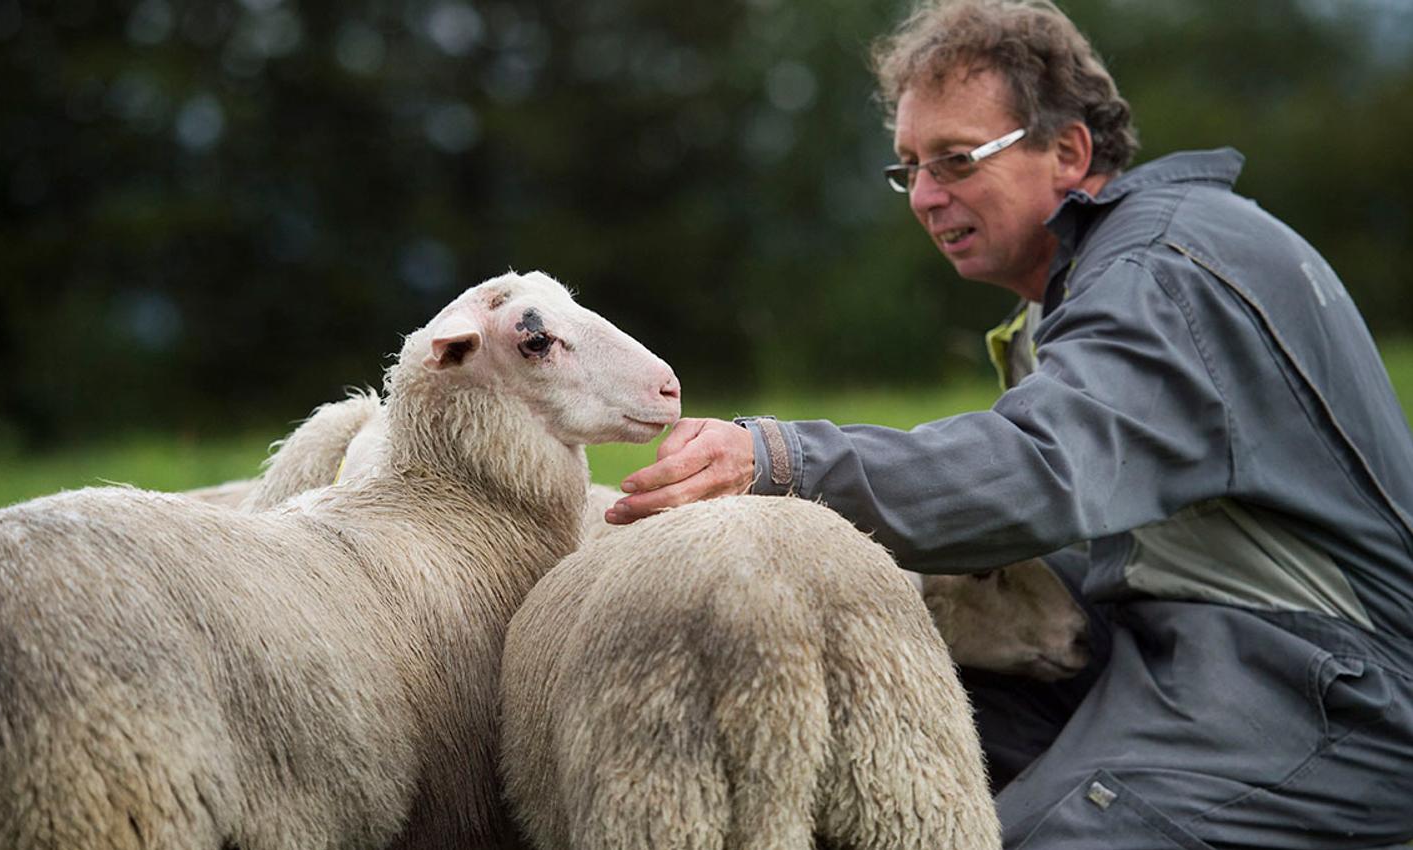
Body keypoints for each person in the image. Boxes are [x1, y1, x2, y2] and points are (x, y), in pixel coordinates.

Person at [604, 1, 1413, 847]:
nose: (922, 195)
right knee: (871, 719)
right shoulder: (1078, 289)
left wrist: (782, 459)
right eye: (908, 167)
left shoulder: (1159, 273)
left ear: (1068, 151)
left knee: (1027, 838)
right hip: (1169, 646)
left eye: (955, 160)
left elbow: (1041, 464)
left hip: (1329, 690)